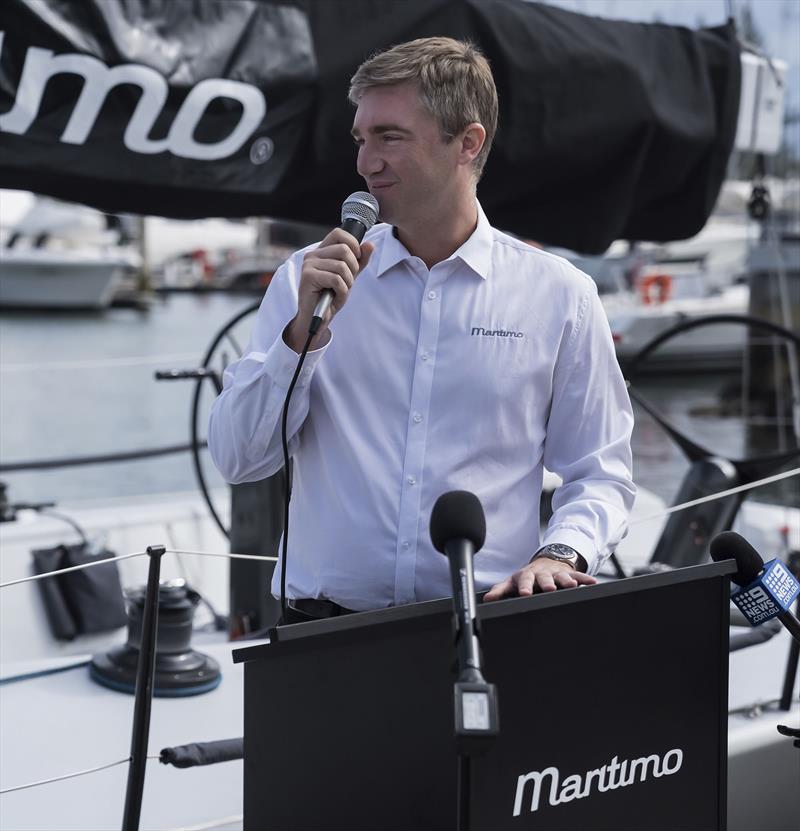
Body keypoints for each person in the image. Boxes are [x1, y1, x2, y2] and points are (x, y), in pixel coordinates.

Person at [208, 37, 636, 623]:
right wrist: (298, 341)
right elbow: (238, 459)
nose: (365, 162)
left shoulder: (561, 296)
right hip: (322, 632)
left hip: (487, 625)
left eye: (391, 137)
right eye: (361, 139)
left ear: (468, 142)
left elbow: (601, 471)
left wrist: (560, 552)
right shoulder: (303, 281)